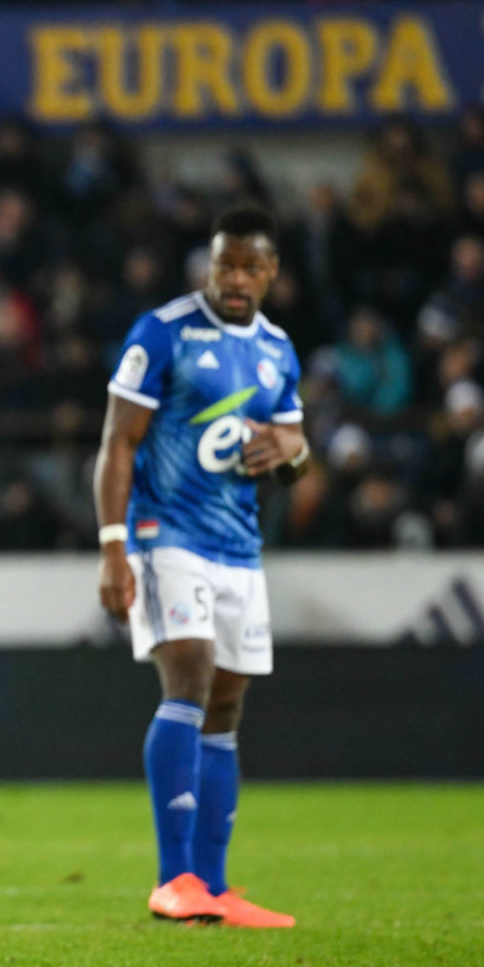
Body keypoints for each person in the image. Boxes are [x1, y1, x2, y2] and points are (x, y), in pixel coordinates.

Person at [94, 204, 307, 929]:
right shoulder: (165, 332)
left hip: (238, 546)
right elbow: (118, 442)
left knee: (227, 704)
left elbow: (293, 448)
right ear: (209, 266)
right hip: (165, 535)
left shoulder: (278, 350)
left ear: (272, 273)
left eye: (252, 267)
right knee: (189, 672)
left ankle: (213, 886)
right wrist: (113, 545)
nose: (238, 279)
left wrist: (293, 453)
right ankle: (172, 878)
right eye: (226, 265)